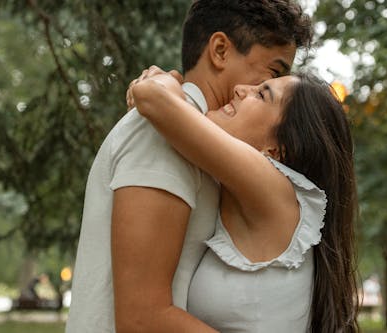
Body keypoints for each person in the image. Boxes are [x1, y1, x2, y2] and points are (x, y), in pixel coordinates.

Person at [66, 1, 312, 333]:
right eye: (274, 72)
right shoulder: (162, 134)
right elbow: (141, 318)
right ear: (221, 50)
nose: (246, 91)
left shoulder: (198, 143)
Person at [132, 71, 359, 332]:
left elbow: (152, 97)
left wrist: (169, 80)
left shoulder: (278, 192)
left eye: (262, 94)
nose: (240, 88)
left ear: (277, 149)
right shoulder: (240, 198)